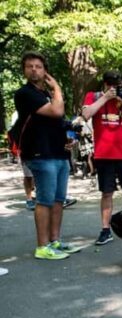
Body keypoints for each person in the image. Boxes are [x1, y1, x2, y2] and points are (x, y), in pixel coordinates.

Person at [13, 51, 80, 260]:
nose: (34, 69)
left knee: (59, 200)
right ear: (24, 70)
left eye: (38, 66)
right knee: (45, 200)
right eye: (30, 66)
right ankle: (42, 247)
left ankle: (55, 241)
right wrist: (58, 88)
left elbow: (58, 122)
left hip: (59, 153)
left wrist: (68, 138)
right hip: (40, 154)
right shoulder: (25, 94)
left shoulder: (45, 96)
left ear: (45, 71)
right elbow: (57, 112)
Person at [81, 70, 122, 245]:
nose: (115, 89)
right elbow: (85, 115)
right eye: (111, 85)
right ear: (105, 85)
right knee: (107, 193)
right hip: (103, 154)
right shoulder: (93, 97)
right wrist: (105, 98)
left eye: (118, 85)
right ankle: (105, 229)